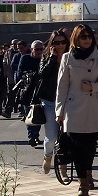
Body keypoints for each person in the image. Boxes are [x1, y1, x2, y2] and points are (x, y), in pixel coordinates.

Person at [56, 24, 98, 196]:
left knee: (90, 146)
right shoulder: (67, 58)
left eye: (89, 37)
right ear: (76, 39)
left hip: (93, 107)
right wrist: (59, 111)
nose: (87, 40)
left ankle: (88, 172)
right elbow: (62, 86)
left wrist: (94, 87)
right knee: (77, 147)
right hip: (73, 108)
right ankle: (82, 184)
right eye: (83, 37)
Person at [37, 30, 69, 175]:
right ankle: (48, 156)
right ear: (52, 44)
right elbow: (42, 75)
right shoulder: (46, 57)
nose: (60, 45)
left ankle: (63, 165)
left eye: (63, 42)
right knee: (51, 136)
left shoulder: (71, 56)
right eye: (57, 42)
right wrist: (51, 58)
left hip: (68, 101)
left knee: (66, 136)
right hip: (50, 101)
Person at [18, 40, 45, 146]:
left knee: (38, 115)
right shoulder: (25, 58)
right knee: (29, 114)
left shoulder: (45, 60)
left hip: (40, 92)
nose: (39, 51)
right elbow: (20, 73)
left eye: (41, 49)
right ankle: (31, 137)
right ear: (32, 50)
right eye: (36, 49)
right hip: (28, 92)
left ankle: (36, 135)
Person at [0, 45, 10, 117]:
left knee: (9, 93)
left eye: (7, 49)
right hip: (1, 77)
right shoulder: (0, 57)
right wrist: (0, 56)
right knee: (0, 94)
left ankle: (10, 108)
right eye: (4, 49)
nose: (6, 51)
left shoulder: (11, 55)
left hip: (9, 77)